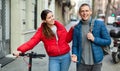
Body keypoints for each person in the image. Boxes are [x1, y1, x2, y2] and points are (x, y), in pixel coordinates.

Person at [71, 3, 111, 71]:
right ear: (79, 13)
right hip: (81, 63)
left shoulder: (99, 24)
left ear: (90, 12)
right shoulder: (76, 28)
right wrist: (74, 54)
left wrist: (94, 39)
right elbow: (75, 45)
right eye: (82, 11)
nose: (84, 13)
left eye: (87, 11)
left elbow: (108, 41)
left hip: (96, 63)